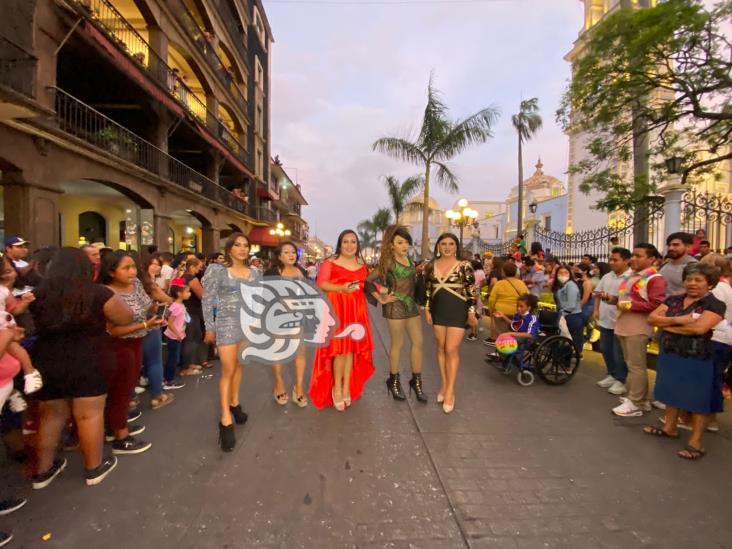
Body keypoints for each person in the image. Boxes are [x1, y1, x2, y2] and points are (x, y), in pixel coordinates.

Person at [30, 248, 133, 488]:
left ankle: (43, 471)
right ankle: (93, 466)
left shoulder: (37, 293)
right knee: (89, 414)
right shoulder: (97, 293)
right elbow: (124, 317)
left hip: (47, 358)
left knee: (51, 415)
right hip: (89, 357)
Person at [645, 263, 725, 460]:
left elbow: (698, 329)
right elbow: (651, 318)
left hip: (696, 357)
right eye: (689, 279)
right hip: (670, 352)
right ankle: (669, 428)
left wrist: (667, 324)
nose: (692, 283)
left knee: (697, 400)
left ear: (710, 283)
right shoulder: (674, 300)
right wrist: (681, 320)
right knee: (671, 391)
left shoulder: (714, 304)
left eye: (698, 280)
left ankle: (696, 442)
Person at [202, 233, 260, 451]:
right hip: (226, 324)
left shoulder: (255, 272)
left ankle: (235, 402)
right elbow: (207, 301)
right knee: (227, 369)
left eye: (246, 245)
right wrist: (210, 327)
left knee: (239, 366)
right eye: (237, 245)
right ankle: (225, 417)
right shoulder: (217, 271)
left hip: (248, 326)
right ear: (229, 249)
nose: (242, 249)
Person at [102, 251, 162, 455]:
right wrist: (145, 323)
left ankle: (116, 425)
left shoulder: (135, 284)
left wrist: (155, 311)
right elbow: (112, 330)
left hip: (138, 340)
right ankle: (121, 437)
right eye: (125, 268)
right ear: (111, 271)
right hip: (118, 345)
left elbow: (147, 305)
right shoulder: (107, 293)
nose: (132, 272)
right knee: (121, 389)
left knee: (128, 386)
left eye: (133, 267)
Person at [309, 230, 374, 411]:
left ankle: (346, 387)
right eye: (345, 242)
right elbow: (321, 283)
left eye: (353, 242)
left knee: (351, 350)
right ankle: (336, 388)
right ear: (340, 244)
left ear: (357, 245)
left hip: (356, 310)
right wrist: (341, 288)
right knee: (339, 350)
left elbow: (364, 286)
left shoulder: (361, 264)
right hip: (337, 309)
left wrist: (381, 294)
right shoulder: (330, 262)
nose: (349, 245)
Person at [366, 226, 426, 402]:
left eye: (407, 242)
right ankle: (393, 380)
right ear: (391, 245)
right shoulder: (388, 262)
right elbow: (367, 281)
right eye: (400, 242)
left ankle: (416, 381)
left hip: (411, 306)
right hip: (395, 307)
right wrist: (381, 297)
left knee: (418, 342)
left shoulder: (409, 259)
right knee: (397, 345)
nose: (404, 246)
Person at [609, 244, 666, 417]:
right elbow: (624, 299)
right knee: (631, 364)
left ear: (652, 259)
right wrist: (611, 299)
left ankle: (637, 402)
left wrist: (631, 305)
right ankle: (637, 398)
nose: (633, 258)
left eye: (639, 256)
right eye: (633, 255)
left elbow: (657, 304)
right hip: (624, 324)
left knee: (637, 366)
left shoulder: (655, 278)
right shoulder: (632, 277)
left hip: (638, 327)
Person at [424, 233, 476, 414]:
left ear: (456, 246)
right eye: (443, 244)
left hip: (457, 310)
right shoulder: (432, 266)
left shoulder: (464, 266)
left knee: (451, 349)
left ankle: (450, 391)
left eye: (451, 244)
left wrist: (471, 313)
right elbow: (429, 290)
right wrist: (428, 309)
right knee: (440, 348)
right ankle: (444, 385)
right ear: (438, 246)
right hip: (439, 311)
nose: (447, 247)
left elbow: (471, 291)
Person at [264, 241, 309, 407]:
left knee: (300, 354)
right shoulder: (271, 273)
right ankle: (279, 383)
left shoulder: (301, 271)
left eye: (293, 252)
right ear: (279, 256)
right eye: (286, 252)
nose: (291, 255)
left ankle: (299, 387)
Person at [699, 253, 732, 433]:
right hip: (723, 338)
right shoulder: (725, 287)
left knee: (710, 379)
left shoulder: (718, 288)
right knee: (714, 378)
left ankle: (708, 418)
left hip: (716, 338)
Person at [593, 247, 632, 395]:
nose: (612, 262)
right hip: (605, 320)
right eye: (611, 259)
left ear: (626, 261)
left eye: (615, 260)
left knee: (619, 352)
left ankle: (621, 379)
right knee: (605, 348)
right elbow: (597, 294)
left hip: (621, 321)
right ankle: (611, 373)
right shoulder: (607, 276)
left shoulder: (630, 278)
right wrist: (596, 310)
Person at [138, 255, 174, 410]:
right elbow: (166, 299)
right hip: (149, 325)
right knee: (154, 360)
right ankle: (157, 395)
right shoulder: (147, 285)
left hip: (128, 329)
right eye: (153, 264)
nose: (157, 267)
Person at [493, 294, 540, 370]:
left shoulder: (532, 318)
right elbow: (514, 324)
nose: (518, 308)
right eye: (517, 305)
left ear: (529, 307)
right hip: (517, 336)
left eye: (521, 306)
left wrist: (510, 333)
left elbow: (530, 335)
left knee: (507, 339)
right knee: (503, 337)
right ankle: (504, 358)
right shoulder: (518, 315)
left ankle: (504, 359)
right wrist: (503, 316)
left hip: (527, 339)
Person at [181, 257, 208, 373]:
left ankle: (190, 363)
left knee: (189, 336)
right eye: (198, 267)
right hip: (193, 310)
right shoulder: (193, 279)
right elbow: (202, 295)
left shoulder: (181, 277)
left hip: (184, 309)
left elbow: (174, 290)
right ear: (192, 267)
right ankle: (189, 364)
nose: (199, 270)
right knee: (192, 337)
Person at [488, 262, 529, 338]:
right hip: (517, 312)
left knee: (501, 334)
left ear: (503, 272)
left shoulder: (499, 284)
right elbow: (527, 297)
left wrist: (491, 310)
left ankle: (501, 348)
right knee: (513, 334)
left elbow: (491, 300)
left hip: (500, 312)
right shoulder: (521, 283)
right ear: (516, 272)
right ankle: (511, 347)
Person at [552, 265, 584, 357]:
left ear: (570, 274)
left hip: (572, 316)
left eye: (565, 272)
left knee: (567, 341)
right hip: (564, 315)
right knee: (563, 340)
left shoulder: (571, 285)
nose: (563, 275)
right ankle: (564, 361)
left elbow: (571, 305)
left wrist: (561, 314)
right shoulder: (561, 286)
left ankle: (566, 363)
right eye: (560, 273)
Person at [162, 281, 189, 391]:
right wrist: (178, 333)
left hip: (176, 335)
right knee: (173, 358)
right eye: (187, 292)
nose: (189, 294)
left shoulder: (176, 305)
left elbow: (166, 316)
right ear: (179, 293)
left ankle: (167, 378)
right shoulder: (176, 306)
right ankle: (169, 380)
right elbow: (170, 321)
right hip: (174, 336)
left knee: (173, 357)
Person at [660, 232, 698, 296]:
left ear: (688, 247)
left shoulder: (694, 267)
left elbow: (692, 290)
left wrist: (668, 300)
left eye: (676, 245)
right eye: (669, 245)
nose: (670, 248)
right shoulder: (664, 264)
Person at [466, 259, 486, 342]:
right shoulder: (481, 272)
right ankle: (479, 327)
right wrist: (479, 286)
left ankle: (473, 333)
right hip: (478, 291)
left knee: (472, 311)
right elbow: (484, 281)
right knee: (478, 309)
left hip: (471, 292)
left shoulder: (471, 272)